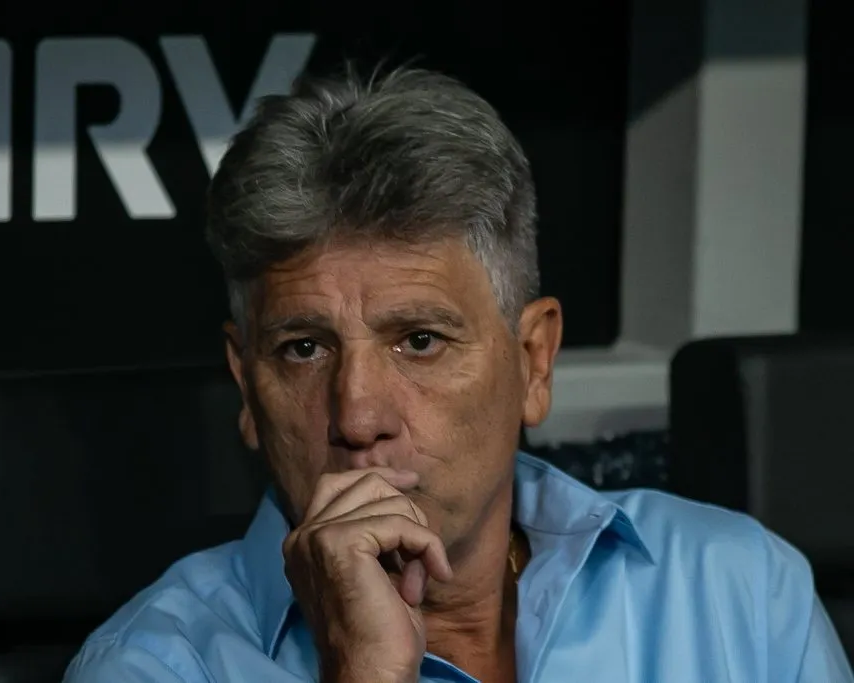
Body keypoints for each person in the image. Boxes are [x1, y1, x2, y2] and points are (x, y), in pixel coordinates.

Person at [64, 65, 853, 683]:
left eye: (419, 340)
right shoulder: (153, 665)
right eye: (304, 348)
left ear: (533, 361)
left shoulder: (735, 591)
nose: (358, 414)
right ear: (246, 385)